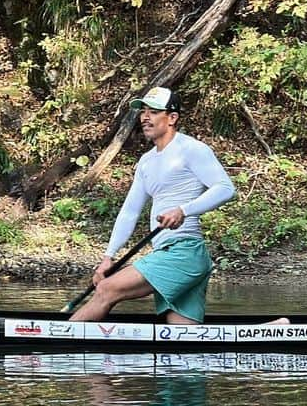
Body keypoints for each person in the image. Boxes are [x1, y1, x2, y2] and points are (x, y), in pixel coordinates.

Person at [70, 86, 236, 324]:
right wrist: (109, 256)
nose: (145, 117)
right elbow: (129, 212)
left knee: (106, 289)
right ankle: (273, 330)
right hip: (169, 251)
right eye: (143, 111)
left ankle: (52, 343)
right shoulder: (147, 161)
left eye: (154, 111)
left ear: (172, 118)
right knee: (183, 335)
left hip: (183, 252)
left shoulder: (192, 149)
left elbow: (225, 188)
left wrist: (183, 210)